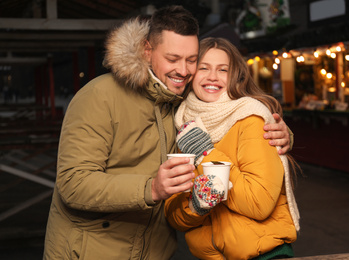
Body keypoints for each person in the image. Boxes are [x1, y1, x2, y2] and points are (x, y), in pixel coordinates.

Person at [43, 5, 292, 260]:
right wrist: (151, 189)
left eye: (192, 60)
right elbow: (73, 183)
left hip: (154, 251)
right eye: (172, 59)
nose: (183, 70)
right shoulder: (99, 96)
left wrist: (279, 131)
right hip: (92, 251)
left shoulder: (182, 102)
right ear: (147, 50)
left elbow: (230, 110)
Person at [165, 37, 300, 260]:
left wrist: (205, 153)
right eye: (203, 68)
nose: (212, 77)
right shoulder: (183, 123)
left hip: (264, 254)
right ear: (191, 73)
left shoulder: (251, 117)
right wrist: (195, 207)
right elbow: (173, 216)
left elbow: (260, 202)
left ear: (235, 75)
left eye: (223, 70)